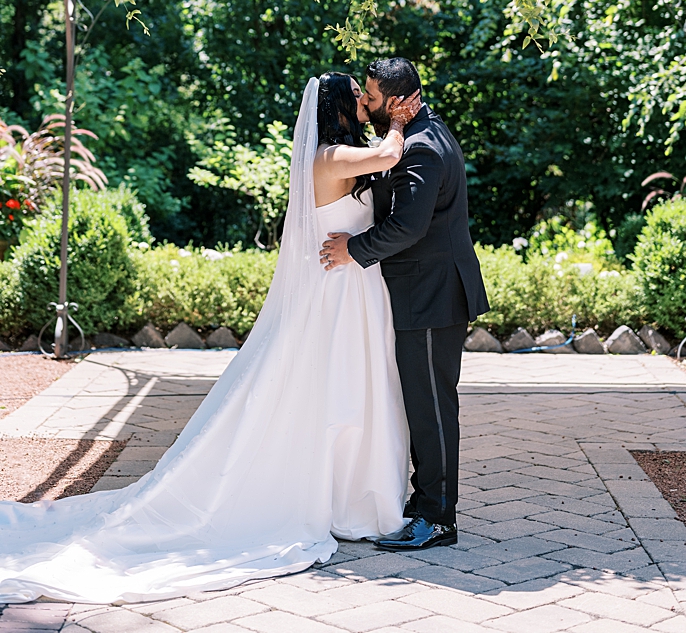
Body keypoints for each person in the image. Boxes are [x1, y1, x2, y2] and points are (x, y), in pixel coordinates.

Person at [0, 72, 417, 601]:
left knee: (350, 393)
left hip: (351, 288)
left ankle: (346, 497)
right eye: (355, 93)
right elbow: (386, 158)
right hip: (337, 294)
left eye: (367, 93)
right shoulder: (330, 158)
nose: (363, 100)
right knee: (341, 393)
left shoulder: (336, 155)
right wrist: (399, 121)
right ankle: (347, 501)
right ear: (336, 106)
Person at [321, 55, 486, 550]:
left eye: (370, 96)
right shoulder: (416, 136)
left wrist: (354, 249)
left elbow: (408, 227)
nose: (365, 103)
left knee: (432, 408)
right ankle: (425, 503)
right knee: (422, 404)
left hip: (432, 294)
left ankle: (437, 518)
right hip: (423, 293)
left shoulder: (424, 148)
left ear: (394, 101)